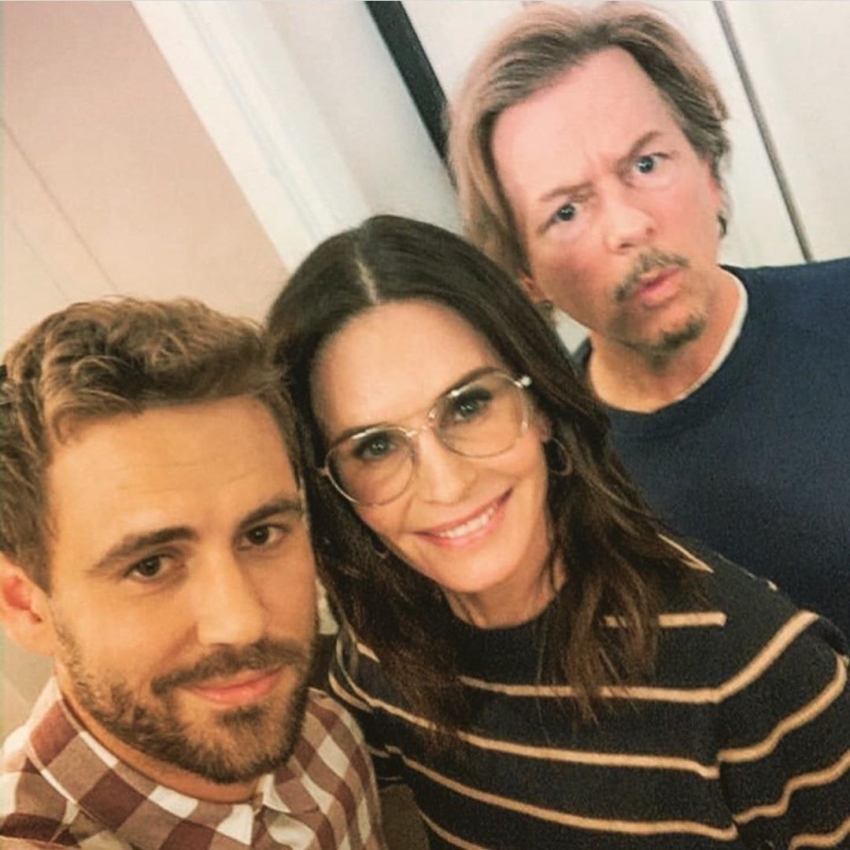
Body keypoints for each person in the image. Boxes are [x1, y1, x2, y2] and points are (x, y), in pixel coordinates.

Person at [267, 214, 850, 849]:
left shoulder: (758, 671)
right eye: (376, 446)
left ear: (542, 404)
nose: (444, 484)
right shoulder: (379, 653)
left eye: (469, 406)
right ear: (334, 486)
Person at [446, 1, 850, 638]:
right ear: (527, 275)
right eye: (567, 211)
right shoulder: (550, 477)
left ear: (708, 169)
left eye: (646, 164)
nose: (628, 226)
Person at [0, 298, 385, 849]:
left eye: (261, 535)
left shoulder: (324, 726)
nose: (243, 624)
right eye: (150, 565)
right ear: (25, 605)